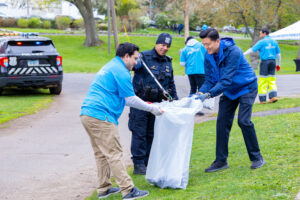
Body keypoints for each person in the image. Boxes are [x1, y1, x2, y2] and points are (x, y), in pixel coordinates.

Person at [80, 43, 164, 199]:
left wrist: (147, 105)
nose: (136, 62)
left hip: (87, 114)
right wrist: (152, 109)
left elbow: (125, 99)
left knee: (101, 153)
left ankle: (104, 188)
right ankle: (128, 189)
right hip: (100, 116)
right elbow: (130, 98)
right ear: (126, 56)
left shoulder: (112, 66)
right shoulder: (121, 71)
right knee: (114, 153)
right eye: (134, 58)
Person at [197, 28, 265, 173]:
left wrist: (208, 94)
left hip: (246, 87)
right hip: (229, 90)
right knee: (222, 122)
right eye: (204, 44)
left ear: (217, 41)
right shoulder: (207, 55)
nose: (206, 47)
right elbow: (209, 79)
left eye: (208, 44)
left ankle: (257, 157)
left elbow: (226, 79)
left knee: (243, 121)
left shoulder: (234, 51)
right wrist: (201, 92)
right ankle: (221, 161)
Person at [129, 33, 178, 175]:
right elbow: (133, 66)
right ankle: (138, 164)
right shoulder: (143, 57)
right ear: (157, 44)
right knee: (139, 133)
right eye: (162, 45)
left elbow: (171, 83)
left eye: (167, 46)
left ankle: (148, 161)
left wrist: (175, 100)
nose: (165, 48)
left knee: (152, 133)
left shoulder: (168, 62)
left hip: (157, 105)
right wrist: (135, 60)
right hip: (140, 102)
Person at [244, 28, 281, 104]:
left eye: (261, 33)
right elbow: (279, 54)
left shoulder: (262, 42)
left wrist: (243, 54)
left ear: (264, 33)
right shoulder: (274, 41)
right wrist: (278, 65)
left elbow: (252, 49)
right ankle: (273, 96)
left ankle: (262, 99)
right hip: (273, 62)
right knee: (272, 80)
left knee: (262, 81)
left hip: (265, 62)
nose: (260, 35)